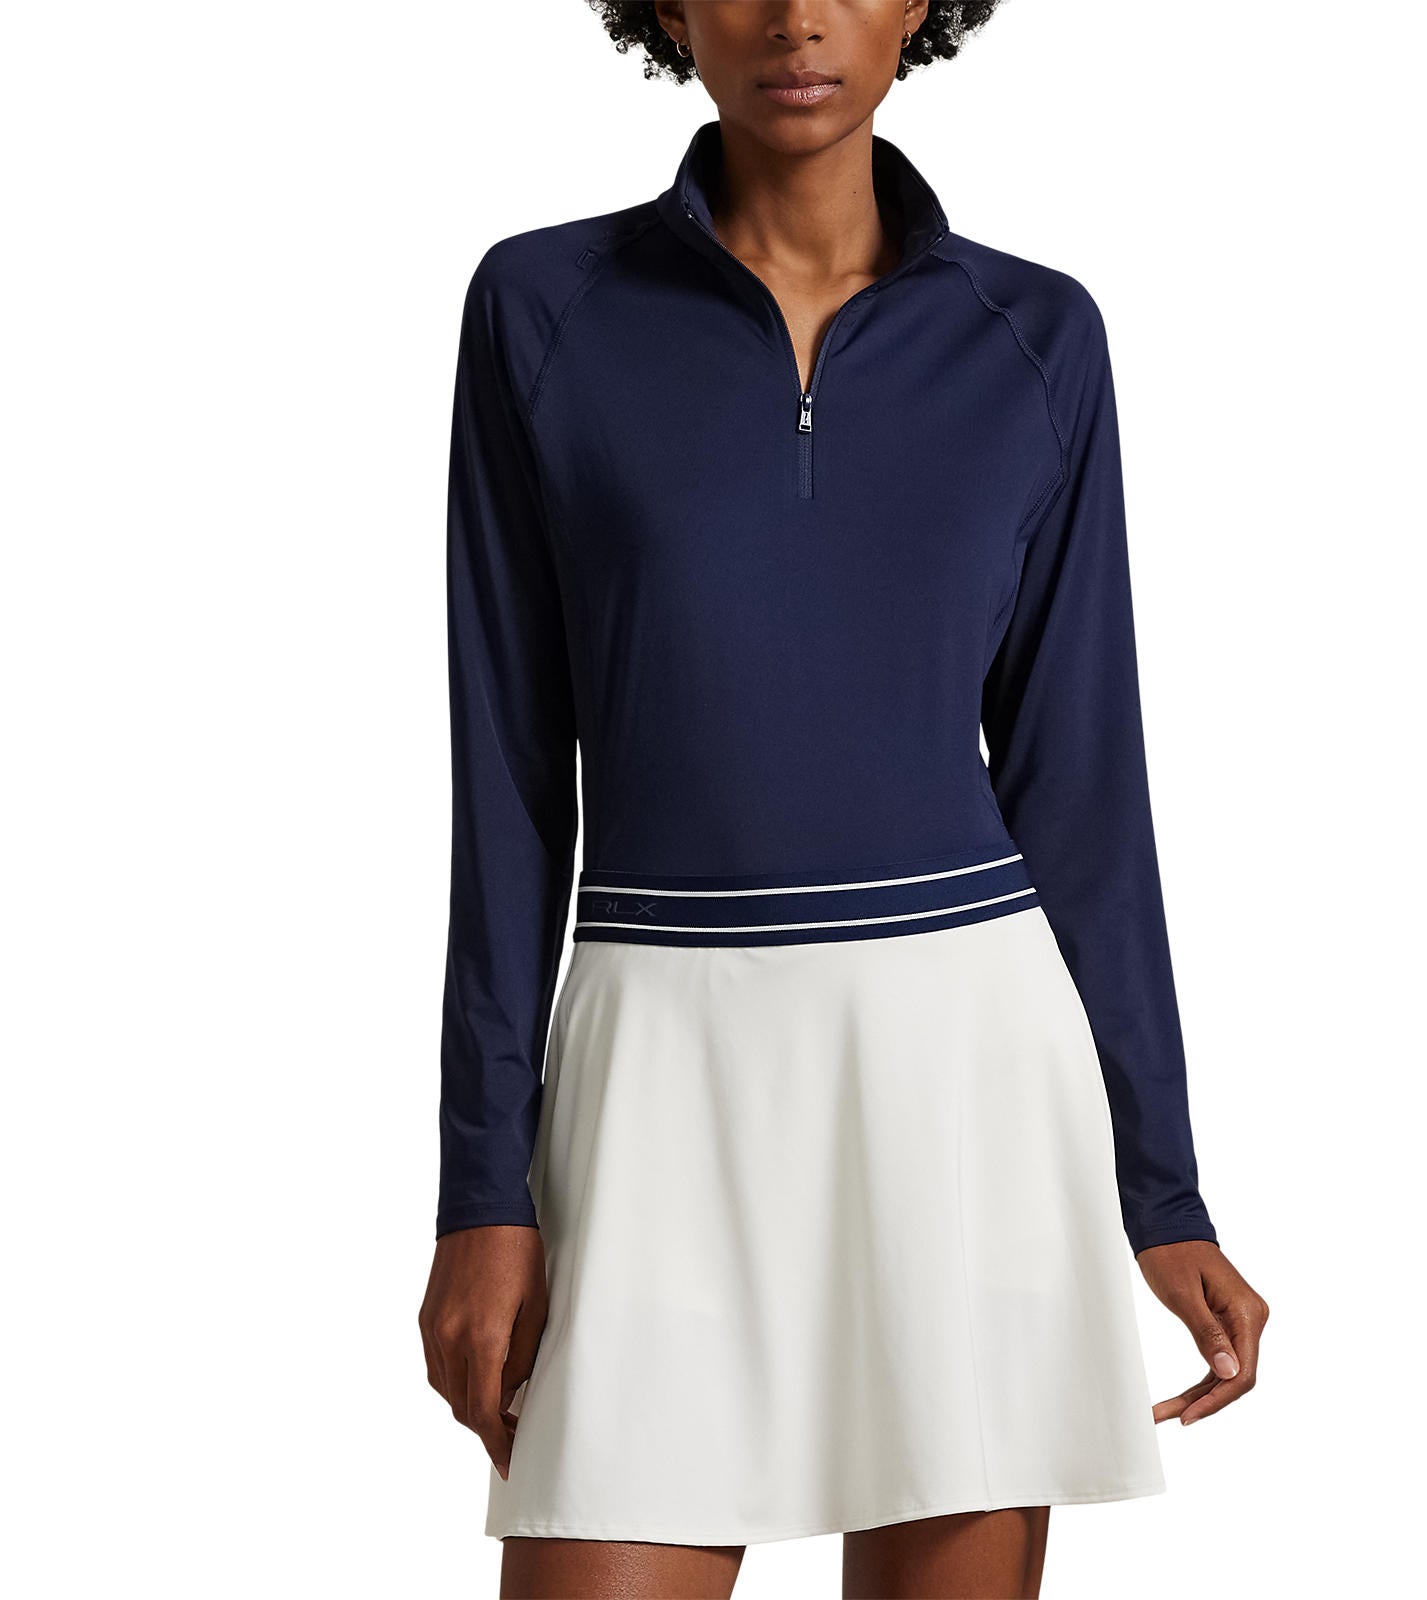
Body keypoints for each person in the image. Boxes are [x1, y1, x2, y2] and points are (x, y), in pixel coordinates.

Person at [417, 3, 1270, 1595]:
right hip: (659, 1069)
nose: (797, 15)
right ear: (668, 6)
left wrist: (1162, 1191)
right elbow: (509, 779)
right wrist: (484, 1186)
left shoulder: (1035, 336)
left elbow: (1084, 787)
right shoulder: (544, 310)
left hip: (962, 1075)